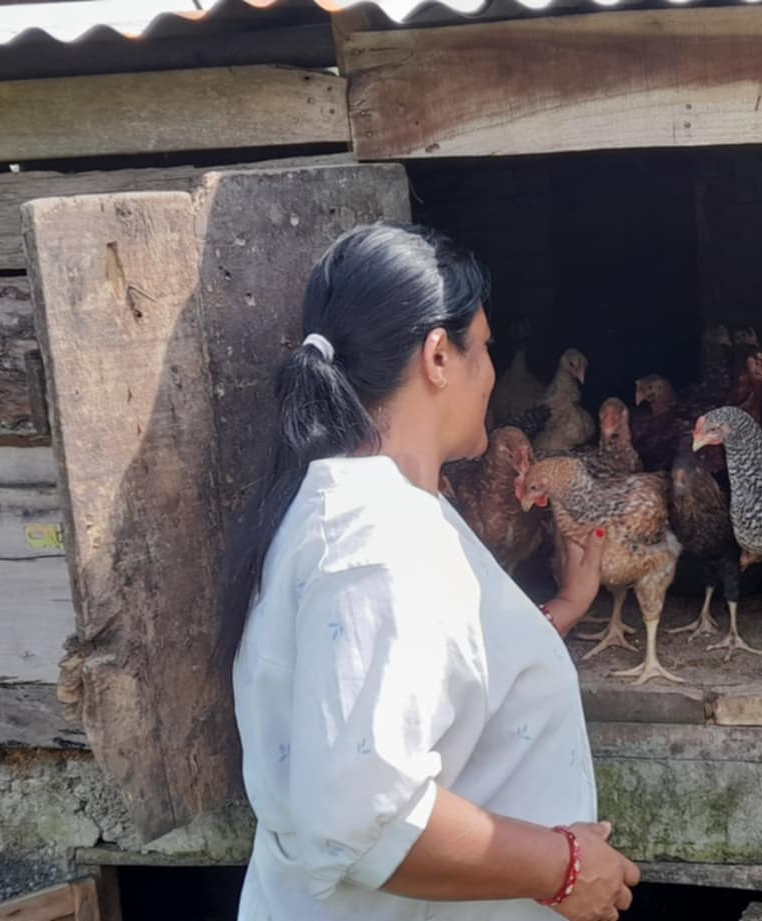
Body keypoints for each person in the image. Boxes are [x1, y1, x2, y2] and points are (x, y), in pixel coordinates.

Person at [215, 222, 639, 921]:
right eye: (486, 347)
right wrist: (563, 868)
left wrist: (562, 608)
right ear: (439, 356)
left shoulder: (379, 510)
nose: (493, 373)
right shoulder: (373, 540)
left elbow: (433, 678)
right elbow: (365, 816)